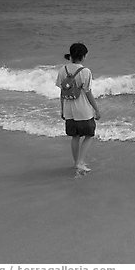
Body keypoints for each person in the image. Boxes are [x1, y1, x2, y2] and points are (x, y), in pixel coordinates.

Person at [55, 43, 101, 174]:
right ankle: (80, 162)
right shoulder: (85, 72)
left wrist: (62, 109)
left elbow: (62, 93)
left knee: (74, 136)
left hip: (69, 110)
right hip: (84, 111)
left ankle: (76, 162)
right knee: (89, 134)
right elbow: (88, 93)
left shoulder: (62, 70)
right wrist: (97, 109)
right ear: (83, 56)